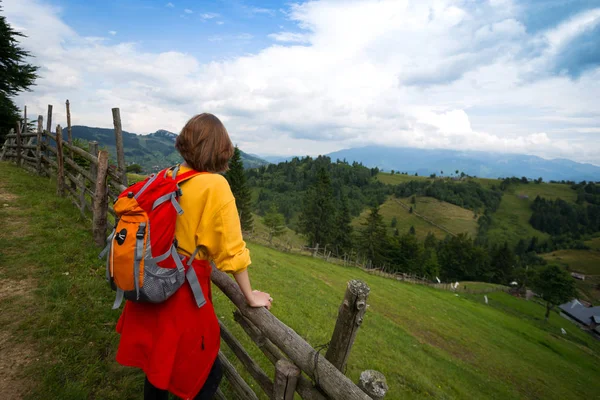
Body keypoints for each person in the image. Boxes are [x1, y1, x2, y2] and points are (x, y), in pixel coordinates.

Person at [114, 113, 273, 400]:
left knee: (157, 366)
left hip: (150, 278)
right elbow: (232, 250)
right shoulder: (215, 185)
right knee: (207, 375)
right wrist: (250, 297)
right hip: (181, 292)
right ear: (220, 150)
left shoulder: (169, 174)